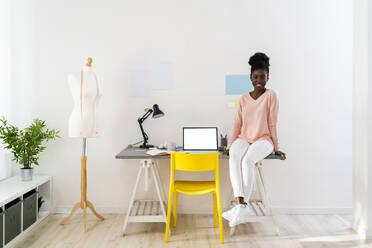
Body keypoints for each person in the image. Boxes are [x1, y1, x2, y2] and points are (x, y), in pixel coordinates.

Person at [222, 52, 286, 227]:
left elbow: (272, 123)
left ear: (268, 78)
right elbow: (237, 123)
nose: (259, 80)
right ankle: (241, 204)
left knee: (248, 161)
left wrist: (276, 146)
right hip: (245, 137)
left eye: (262, 77)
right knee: (234, 156)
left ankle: (241, 207)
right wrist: (229, 145)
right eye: (255, 77)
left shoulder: (271, 95)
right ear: (250, 78)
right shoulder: (243, 98)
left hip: (264, 139)